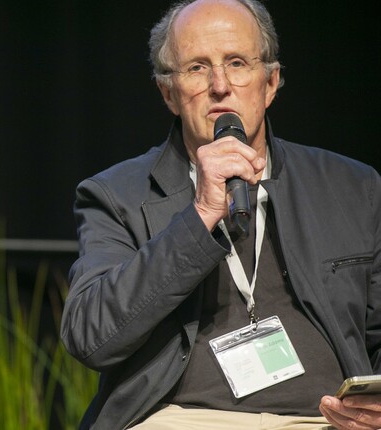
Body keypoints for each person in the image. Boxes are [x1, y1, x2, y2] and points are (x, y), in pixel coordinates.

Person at [60, 0, 381, 429]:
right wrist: (200, 215)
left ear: (270, 82)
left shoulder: (352, 187)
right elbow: (91, 337)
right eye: (196, 67)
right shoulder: (115, 194)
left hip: (325, 420)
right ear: (168, 93)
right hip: (182, 420)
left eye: (236, 62)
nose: (219, 85)